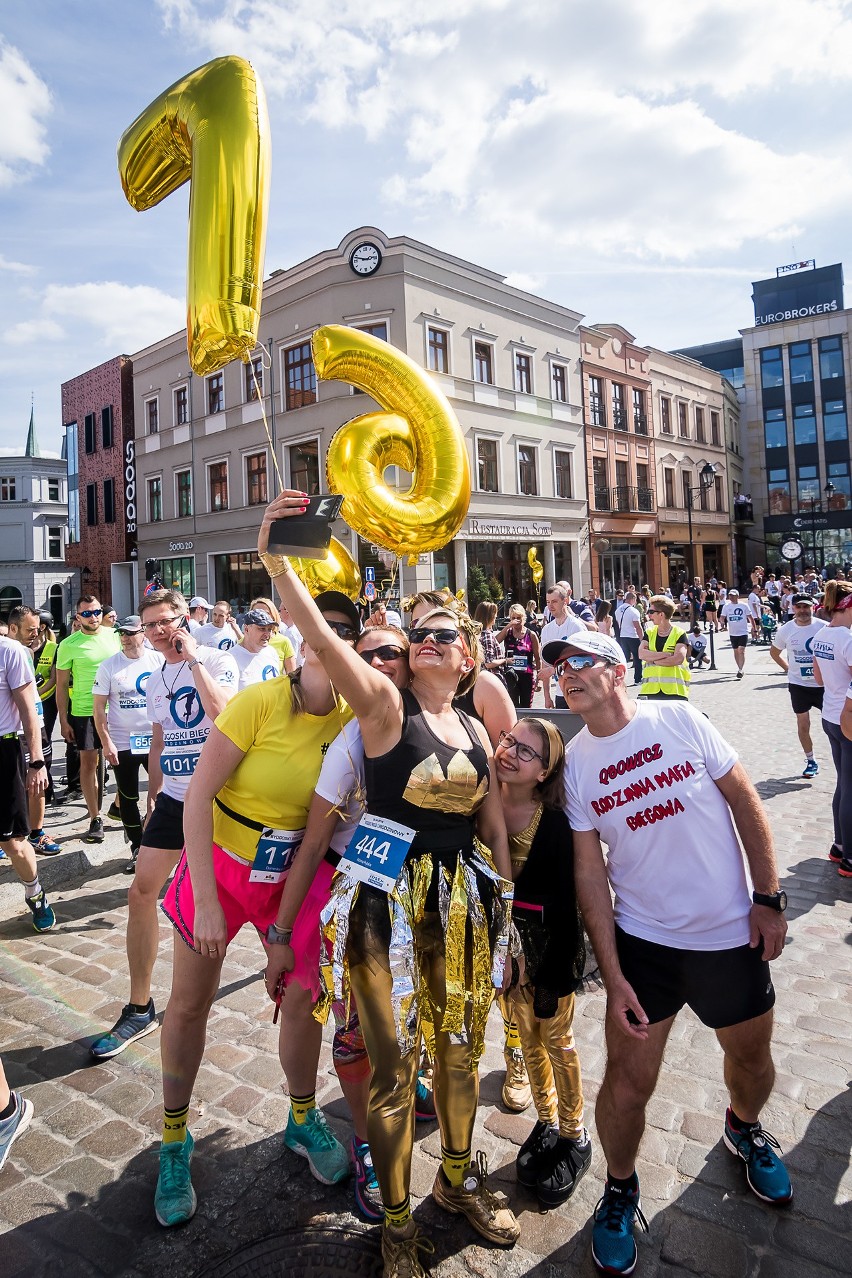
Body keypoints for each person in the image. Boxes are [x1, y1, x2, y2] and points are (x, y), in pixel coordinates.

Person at [259, 493, 519, 1278]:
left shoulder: (475, 729)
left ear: (467, 658)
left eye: (445, 637)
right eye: (419, 637)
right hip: (383, 909)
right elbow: (312, 632)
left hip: (464, 906)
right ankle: (398, 1222)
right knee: (394, 1067)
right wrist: (278, 558)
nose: (426, 644)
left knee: (463, 1053)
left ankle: (459, 1181)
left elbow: (496, 832)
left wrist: (505, 919)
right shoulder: (381, 710)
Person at [549, 630, 791, 1276]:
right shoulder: (575, 764)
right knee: (626, 1087)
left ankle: (743, 1126)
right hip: (644, 947)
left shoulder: (679, 717)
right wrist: (612, 967)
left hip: (728, 934)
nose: (567, 674)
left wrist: (768, 896)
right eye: (559, 666)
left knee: (753, 1063)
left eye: (581, 661)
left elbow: (744, 797)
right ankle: (620, 1187)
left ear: (619, 670)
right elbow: (589, 873)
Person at [153, 591, 364, 1227]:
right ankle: (173, 1139)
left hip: (295, 873)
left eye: (343, 631)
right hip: (219, 859)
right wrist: (210, 903)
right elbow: (196, 799)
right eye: (318, 628)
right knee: (190, 1001)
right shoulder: (259, 701)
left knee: (303, 995)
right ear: (300, 638)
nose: (329, 639)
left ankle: (303, 1119)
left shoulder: (356, 714)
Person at [262, 624, 418, 1222]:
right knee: (354, 1029)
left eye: (390, 653)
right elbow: (314, 841)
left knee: (414, 1020)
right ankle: (366, 1142)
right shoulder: (352, 739)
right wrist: (280, 935)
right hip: (359, 898)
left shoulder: (444, 722)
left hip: (427, 895)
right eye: (366, 653)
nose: (377, 662)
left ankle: (408, 1089)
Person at [89, 590, 238, 1062]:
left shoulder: (216, 660)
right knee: (140, 891)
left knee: (230, 897)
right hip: (174, 798)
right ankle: (140, 1005)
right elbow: (159, 740)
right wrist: (154, 793)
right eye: (149, 625)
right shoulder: (155, 679)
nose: (157, 632)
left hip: (222, 798)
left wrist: (192, 660)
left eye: (165, 622)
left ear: (185, 619)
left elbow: (225, 716)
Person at [494, 718, 589, 1208]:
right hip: (505, 960)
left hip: (550, 956)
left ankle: (575, 1135)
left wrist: (553, 973)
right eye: (507, 741)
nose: (509, 752)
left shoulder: (554, 820)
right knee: (524, 1040)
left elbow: (569, 901)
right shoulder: (480, 805)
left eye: (525, 752)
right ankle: (547, 1122)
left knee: (557, 1041)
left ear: (545, 771)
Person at [92, 615, 163, 872]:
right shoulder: (109, 666)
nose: (125, 637)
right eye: (121, 633)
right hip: (123, 742)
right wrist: (106, 742)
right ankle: (137, 847)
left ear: (143, 633)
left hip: (157, 741)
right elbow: (98, 710)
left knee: (162, 796)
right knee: (128, 797)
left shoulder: (158, 660)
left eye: (130, 633)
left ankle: (155, 841)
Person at [1, 631, 56, 932]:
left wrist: (36, 762)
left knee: (13, 843)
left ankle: (35, 894)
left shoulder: (9, 651)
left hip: (5, 750)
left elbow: (28, 711)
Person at [55, 594, 120, 842]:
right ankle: (95, 818)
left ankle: (118, 805)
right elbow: (61, 686)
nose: (94, 617)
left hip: (117, 709)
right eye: (88, 613)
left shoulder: (115, 636)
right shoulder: (68, 644)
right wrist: (63, 719)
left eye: (96, 611)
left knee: (125, 762)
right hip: (84, 710)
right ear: (78, 617)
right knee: (88, 764)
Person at [7, 607, 61, 855]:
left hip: (35, 726)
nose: (35, 634)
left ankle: (36, 832)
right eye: (29, 629)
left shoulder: (26, 652)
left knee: (38, 778)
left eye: (38, 629)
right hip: (12, 731)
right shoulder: (8, 650)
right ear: (13, 628)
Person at [813, 580, 852, 876]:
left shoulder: (820, 635)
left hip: (829, 715)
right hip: (847, 717)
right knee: (850, 787)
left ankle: (839, 845)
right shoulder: (847, 640)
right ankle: (849, 856)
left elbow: (818, 679)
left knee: (844, 783)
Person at [769, 594, 827, 780]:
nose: (803, 610)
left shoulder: (823, 627)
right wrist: (788, 669)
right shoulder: (786, 630)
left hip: (823, 685)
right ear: (793, 608)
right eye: (799, 607)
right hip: (799, 685)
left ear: (812, 607)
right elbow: (775, 652)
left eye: (806, 607)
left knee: (836, 723)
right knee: (803, 724)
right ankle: (811, 760)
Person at [539, 585, 586, 708]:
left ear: (565, 601)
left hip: (579, 689)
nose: (550, 606)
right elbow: (545, 665)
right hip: (560, 692)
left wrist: (552, 670)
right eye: (548, 602)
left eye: (554, 601)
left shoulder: (576, 626)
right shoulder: (547, 630)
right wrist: (547, 696)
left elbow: (582, 660)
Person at [637, 597, 690, 701]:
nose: (649, 615)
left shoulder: (679, 633)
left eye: (651, 612)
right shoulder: (649, 632)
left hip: (675, 691)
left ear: (661, 614)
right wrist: (667, 654)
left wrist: (652, 659)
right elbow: (641, 654)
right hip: (650, 691)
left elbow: (677, 659)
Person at [496, 604, 541, 709]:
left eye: (518, 618)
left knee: (526, 707)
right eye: (513, 618)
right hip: (510, 675)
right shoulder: (508, 632)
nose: (516, 621)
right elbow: (495, 641)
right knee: (512, 706)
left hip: (527, 676)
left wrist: (539, 680)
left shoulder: (531, 635)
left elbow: (538, 658)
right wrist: (507, 626)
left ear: (523, 618)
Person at [231, 608, 288, 689]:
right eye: (262, 629)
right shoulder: (231, 657)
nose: (267, 634)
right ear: (246, 629)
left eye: (269, 629)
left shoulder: (271, 652)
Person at [249, 595, 297, 669]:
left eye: (266, 613)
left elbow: (291, 675)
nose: (261, 616)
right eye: (256, 612)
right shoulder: (243, 643)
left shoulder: (284, 641)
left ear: (273, 615)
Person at [474, 602, 510, 683]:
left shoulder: (475, 635)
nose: (496, 616)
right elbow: (489, 663)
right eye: (494, 614)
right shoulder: (487, 636)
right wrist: (505, 660)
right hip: (492, 678)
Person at [613, 591, 643, 686]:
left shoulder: (618, 610)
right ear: (633, 599)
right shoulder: (633, 611)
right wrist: (642, 639)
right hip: (633, 636)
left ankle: (620, 680)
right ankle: (638, 679)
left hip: (622, 636)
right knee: (637, 659)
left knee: (624, 659)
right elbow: (638, 627)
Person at [720, 589, 751, 679]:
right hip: (733, 633)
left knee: (741, 650)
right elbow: (722, 617)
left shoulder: (744, 605)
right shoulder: (726, 606)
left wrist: (754, 628)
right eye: (730, 595)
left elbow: (750, 617)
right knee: (736, 651)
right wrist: (722, 622)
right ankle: (739, 667)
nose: (731, 597)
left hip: (743, 632)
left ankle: (740, 669)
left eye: (733, 596)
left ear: (737, 596)